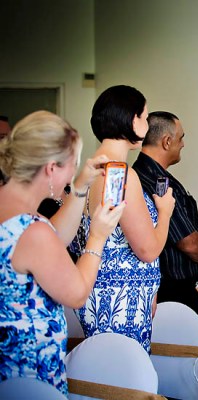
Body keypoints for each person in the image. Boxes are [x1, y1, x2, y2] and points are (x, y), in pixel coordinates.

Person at [0, 111, 125, 394]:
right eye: (72, 165)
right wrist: (97, 236)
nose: (71, 175)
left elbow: (51, 240)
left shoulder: (18, 218)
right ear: (51, 168)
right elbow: (77, 294)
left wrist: (80, 186)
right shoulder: (32, 231)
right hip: (26, 378)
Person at [69, 85, 175, 353]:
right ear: (132, 120)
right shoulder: (121, 174)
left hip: (97, 290)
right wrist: (164, 212)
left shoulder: (87, 171)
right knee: (123, 373)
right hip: (120, 301)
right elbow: (147, 249)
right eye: (145, 117)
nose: (147, 125)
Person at [132, 111, 198, 313]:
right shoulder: (158, 183)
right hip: (172, 295)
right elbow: (190, 243)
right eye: (181, 138)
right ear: (167, 142)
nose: (183, 144)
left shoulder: (139, 175)